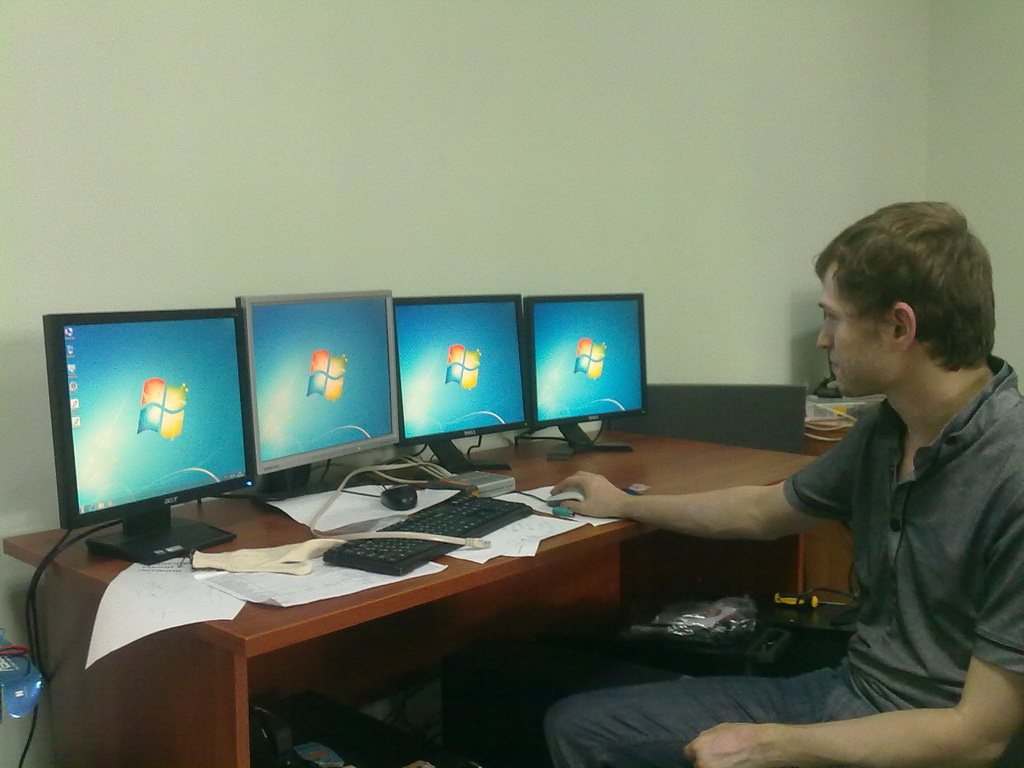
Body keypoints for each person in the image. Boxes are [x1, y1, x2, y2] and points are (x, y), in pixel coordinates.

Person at [544, 202, 1024, 768]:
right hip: (849, 693)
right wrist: (622, 503)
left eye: (833, 318)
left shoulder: (1011, 472)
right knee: (581, 728)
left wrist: (774, 745)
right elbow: (761, 511)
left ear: (900, 327)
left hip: (928, 743)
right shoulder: (887, 430)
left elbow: (979, 737)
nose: (823, 340)